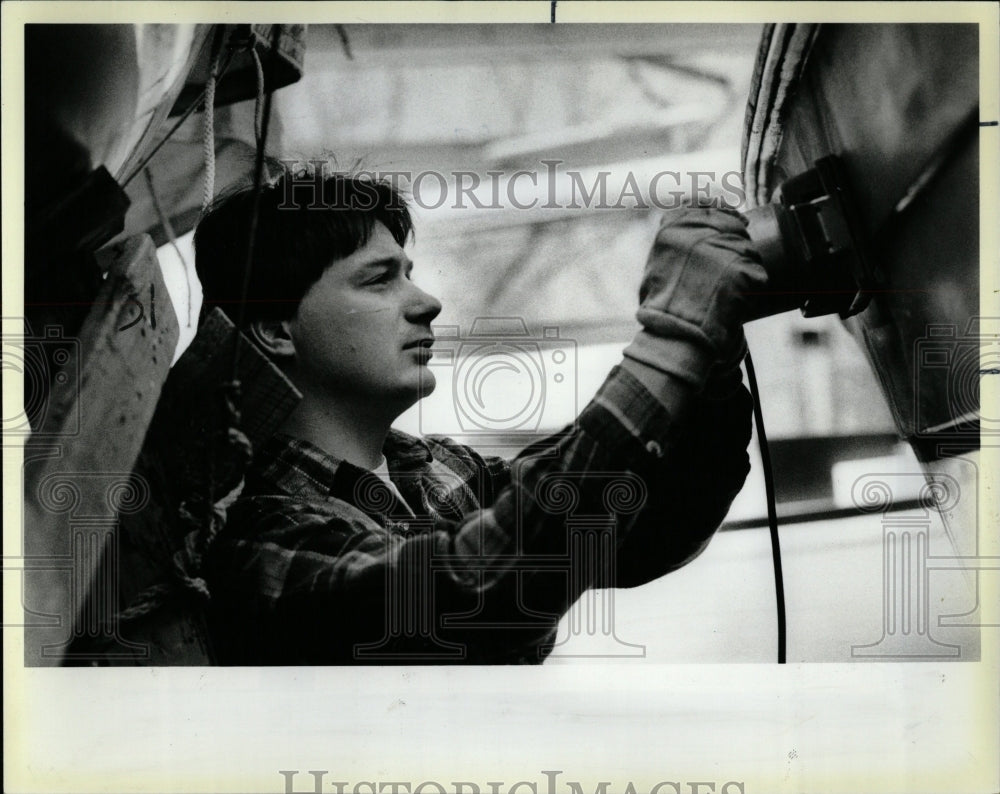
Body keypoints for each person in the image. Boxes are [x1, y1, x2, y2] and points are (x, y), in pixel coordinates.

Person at [194, 169, 763, 664]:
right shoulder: (255, 536)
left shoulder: (443, 468)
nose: (425, 302)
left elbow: (646, 525)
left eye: (408, 273)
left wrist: (711, 360)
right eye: (378, 279)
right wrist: (676, 335)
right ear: (273, 328)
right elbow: (476, 590)